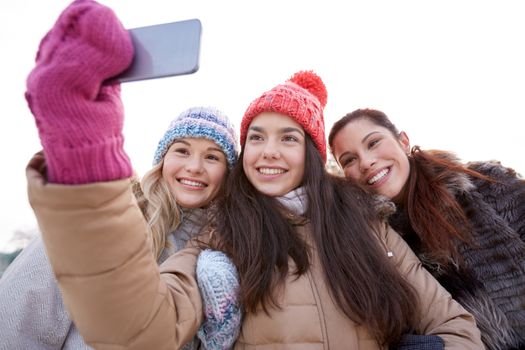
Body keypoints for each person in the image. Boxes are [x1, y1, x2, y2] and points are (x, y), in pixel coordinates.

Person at [22, 0, 484, 348]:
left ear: (312, 154)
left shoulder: (367, 227)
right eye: (256, 137)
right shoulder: (222, 235)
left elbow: (458, 327)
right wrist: (87, 157)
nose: (268, 152)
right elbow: (142, 331)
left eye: (288, 138)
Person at [0, 3, 241, 349]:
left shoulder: (226, 249)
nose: (194, 167)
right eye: (182, 151)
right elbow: (19, 319)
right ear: (163, 160)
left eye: (212, 157)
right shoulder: (108, 219)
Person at [328, 108, 525, 350]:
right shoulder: (371, 242)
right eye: (349, 159)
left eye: (373, 143)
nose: (366, 162)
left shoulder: (486, 185)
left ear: (403, 141)